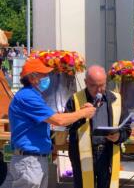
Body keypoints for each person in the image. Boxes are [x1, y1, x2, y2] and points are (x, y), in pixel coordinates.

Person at [8, 58, 96, 188]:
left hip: (33, 159)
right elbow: (58, 120)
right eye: (44, 74)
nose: (47, 77)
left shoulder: (31, 95)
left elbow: (46, 122)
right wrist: (82, 113)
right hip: (29, 161)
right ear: (33, 78)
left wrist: (48, 146)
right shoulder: (28, 97)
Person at [65, 65, 132, 188]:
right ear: (86, 83)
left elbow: (127, 128)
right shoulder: (75, 100)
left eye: (102, 85)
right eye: (94, 86)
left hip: (107, 153)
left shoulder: (116, 99)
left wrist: (118, 136)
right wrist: (81, 116)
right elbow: (67, 126)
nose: (99, 90)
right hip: (82, 156)